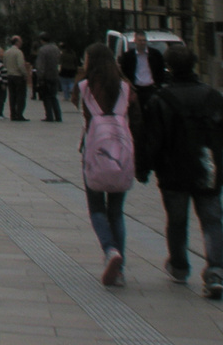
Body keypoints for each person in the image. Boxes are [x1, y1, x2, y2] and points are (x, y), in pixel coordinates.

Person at [140, 44, 223, 297]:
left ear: (169, 68)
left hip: (173, 172)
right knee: (212, 221)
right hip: (207, 169)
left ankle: (179, 266)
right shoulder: (213, 96)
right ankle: (216, 271)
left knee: (176, 221)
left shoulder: (160, 99)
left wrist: (143, 168)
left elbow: (152, 139)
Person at [75, 42, 142, 286]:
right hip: (121, 154)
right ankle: (120, 270)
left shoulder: (85, 87)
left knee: (96, 208)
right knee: (116, 211)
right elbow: (136, 121)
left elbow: (84, 115)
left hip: (94, 153)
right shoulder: (126, 87)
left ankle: (109, 250)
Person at [120, 30, 168, 111]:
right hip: (136, 89)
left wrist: (158, 85)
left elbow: (161, 70)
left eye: (144, 40)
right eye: (140, 40)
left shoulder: (155, 54)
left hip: (151, 88)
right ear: (135, 41)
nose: (142, 43)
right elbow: (124, 72)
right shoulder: (128, 56)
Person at [35, 35, 62, 123]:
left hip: (46, 77)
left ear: (42, 41)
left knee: (46, 97)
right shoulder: (56, 49)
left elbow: (40, 65)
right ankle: (58, 116)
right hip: (55, 75)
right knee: (54, 96)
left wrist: (40, 77)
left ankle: (49, 116)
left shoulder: (42, 50)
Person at [3, 35, 29, 121]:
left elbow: (5, 64)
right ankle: (19, 114)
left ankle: (13, 114)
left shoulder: (7, 52)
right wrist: (25, 74)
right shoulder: (18, 52)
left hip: (10, 76)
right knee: (20, 96)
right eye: (20, 42)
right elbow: (21, 65)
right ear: (17, 42)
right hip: (18, 76)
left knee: (12, 96)